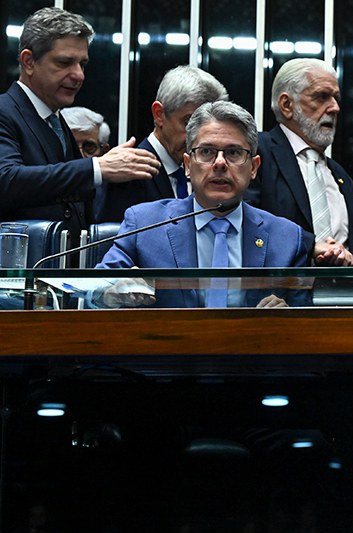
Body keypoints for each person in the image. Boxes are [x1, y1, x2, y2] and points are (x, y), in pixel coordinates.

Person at [93, 101, 309, 308]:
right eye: (206, 152)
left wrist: (286, 316)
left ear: (253, 167)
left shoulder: (288, 238)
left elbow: (306, 319)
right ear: (187, 165)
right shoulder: (144, 224)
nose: (220, 163)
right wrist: (112, 293)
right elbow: (95, 290)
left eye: (234, 152)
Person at [0, 7, 160, 248]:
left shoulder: (56, 121)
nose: (79, 75)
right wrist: (98, 167)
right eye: (65, 63)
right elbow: (7, 181)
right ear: (29, 61)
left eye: (82, 64)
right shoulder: (4, 111)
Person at [246, 58, 353, 266]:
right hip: (276, 286)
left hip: (338, 286)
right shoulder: (256, 152)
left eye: (336, 98)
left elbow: (352, 250)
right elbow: (242, 220)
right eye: (321, 97)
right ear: (286, 105)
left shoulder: (341, 176)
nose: (335, 108)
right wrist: (309, 245)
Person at [95, 65, 228, 222]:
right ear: (159, 114)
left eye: (205, 127)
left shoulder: (200, 172)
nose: (197, 138)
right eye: (188, 123)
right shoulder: (129, 174)